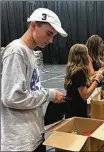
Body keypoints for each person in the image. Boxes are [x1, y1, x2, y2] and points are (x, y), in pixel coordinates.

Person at [1, 8, 67, 151]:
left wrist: (48, 94)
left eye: (53, 36)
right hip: (20, 143)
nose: (50, 40)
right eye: (49, 34)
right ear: (33, 25)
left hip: (34, 135)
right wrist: (48, 94)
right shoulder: (16, 51)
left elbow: (31, 90)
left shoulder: (30, 53)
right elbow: (12, 97)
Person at [64, 44, 103, 118]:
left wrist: (94, 77)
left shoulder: (73, 69)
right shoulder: (79, 72)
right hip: (76, 111)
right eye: (86, 53)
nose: (88, 56)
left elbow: (81, 84)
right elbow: (85, 95)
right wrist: (97, 80)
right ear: (82, 56)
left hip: (72, 108)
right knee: (76, 129)